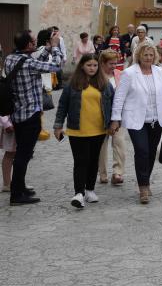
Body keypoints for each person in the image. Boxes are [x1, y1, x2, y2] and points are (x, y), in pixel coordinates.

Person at [5, 29, 64, 205]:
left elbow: (34, 60)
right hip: (30, 115)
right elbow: (57, 66)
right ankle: (16, 194)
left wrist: (45, 50)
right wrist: (54, 47)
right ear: (29, 45)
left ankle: (20, 187)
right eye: (34, 41)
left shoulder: (11, 58)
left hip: (17, 114)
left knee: (22, 153)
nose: (36, 42)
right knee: (24, 155)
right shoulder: (29, 64)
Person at [109, 43, 162, 204]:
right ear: (139, 56)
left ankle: (145, 178)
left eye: (151, 55)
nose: (148, 58)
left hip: (156, 119)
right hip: (136, 120)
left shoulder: (158, 72)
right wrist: (115, 118)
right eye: (145, 55)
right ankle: (143, 186)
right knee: (142, 151)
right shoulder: (129, 73)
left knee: (151, 152)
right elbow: (119, 97)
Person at [53, 54, 115, 208]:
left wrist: (115, 122)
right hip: (77, 130)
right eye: (89, 65)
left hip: (99, 130)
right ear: (82, 66)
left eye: (95, 65)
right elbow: (62, 105)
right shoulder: (72, 84)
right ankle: (78, 193)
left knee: (93, 161)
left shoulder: (105, 84)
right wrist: (58, 125)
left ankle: (90, 190)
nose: (92, 68)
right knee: (81, 161)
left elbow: (113, 105)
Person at [97, 50, 126, 185]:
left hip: (118, 115)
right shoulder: (96, 77)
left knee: (119, 143)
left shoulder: (120, 74)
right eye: (110, 63)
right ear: (102, 63)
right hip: (100, 115)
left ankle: (118, 172)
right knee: (101, 146)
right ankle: (102, 174)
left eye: (116, 63)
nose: (114, 66)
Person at [1, 115, 16, 193]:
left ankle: (17, 182)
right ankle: (7, 183)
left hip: (17, 122)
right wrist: (6, 123)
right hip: (10, 124)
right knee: (10, 153)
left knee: (17, 153)